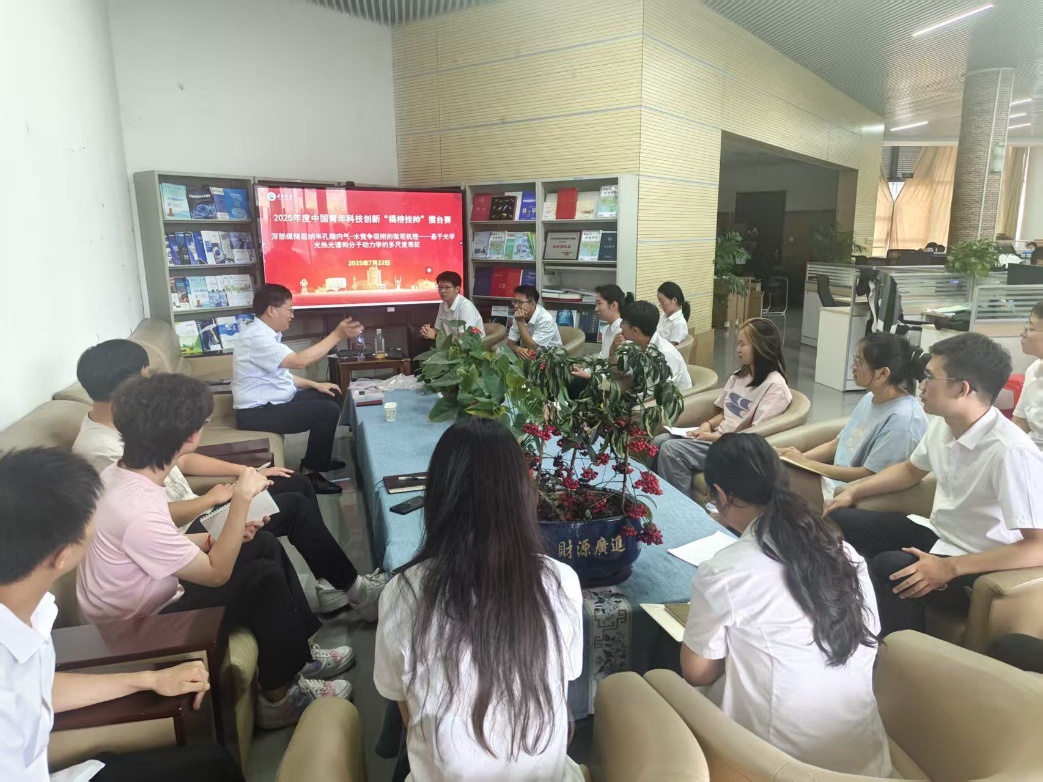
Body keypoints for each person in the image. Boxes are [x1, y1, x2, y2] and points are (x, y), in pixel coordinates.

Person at [76, 372, 356, 730]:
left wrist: (219, 537)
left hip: (150, 594)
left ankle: (299, 655)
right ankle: (280, 698)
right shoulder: (136, 509)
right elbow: (216, 574)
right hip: (139, 628)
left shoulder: (124, 477)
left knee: (262, 543)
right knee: (261, 578)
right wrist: (240, 500)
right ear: (191, 436)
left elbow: (157, 547)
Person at [71, 339, 385, 617]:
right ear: (125, 388)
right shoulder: (102, 450)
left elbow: (182, 458)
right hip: (180, 530)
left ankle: (330, 582)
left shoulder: (134, 424)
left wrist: (248, 472)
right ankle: (351, 588)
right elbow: (144, 519)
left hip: (187, 520)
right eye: (145, 375)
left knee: (294, 482)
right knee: (290, 509)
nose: (150, 381)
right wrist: (214, 499)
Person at [0, 446, 244, 782]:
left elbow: (36, 688)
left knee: (213, 764)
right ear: (62, 556)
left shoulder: (33, 612)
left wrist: (147, 680)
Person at [374, 417, 584, 781]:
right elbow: (562, 693)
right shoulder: (561, 581)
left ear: (437, 497)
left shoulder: (403, 592)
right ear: (523, 494)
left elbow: (408, 712)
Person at [681, 434, 892, 776]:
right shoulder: (845, 553)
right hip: (865, 763)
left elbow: (696, 672)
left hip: (777, 767)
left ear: (721, 495)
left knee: (672, 676)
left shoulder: (726, 570)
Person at [826, 333, 1043, 637]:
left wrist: (951, 568)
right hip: (941, 534)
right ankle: (846, 617)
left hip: (980, 562)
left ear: (962, 388)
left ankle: (898, 653)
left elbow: (1038, 546)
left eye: (930, 377)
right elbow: (910, 470)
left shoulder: (1011, 452)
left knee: (892, 567)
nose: (922, 385)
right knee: (840, 520)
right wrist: (855, 490)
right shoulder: (944, 423)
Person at [233, 283, 363, 494]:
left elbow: (281, 375)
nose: (292, 315)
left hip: (275, 402)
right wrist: (337, 335)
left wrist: (316, 384)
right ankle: (311, 473)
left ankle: (318, 459)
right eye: (289, 309)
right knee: (327, 410)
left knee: (332, 394)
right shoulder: (256, 338)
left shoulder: (265, 334)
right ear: (272, 310)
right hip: (256, 413)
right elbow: (300, 361)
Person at [777, 333, 928, 505]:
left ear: (882, 373)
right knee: (770, 464)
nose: (853, 367)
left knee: (771, 480)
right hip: (830, 480)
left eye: (859, 362)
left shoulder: (903, 420)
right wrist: (795, 459)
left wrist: (805, 464)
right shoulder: (870, 398)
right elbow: (837, 444)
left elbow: (869, 475)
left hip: (847, 492)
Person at [651, 318, 790, 498]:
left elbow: (754, 435)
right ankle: (653, 495)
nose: (738, 349)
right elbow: (726, 413)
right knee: (659, 441)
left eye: (743, 344)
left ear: (761, 346)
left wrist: (713, 437)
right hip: (718, 436)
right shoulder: (740, 375)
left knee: (671, 450)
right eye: (738, 343)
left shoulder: (775, 387)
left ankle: (681, 508)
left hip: (736, 448)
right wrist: (707, 424)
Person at [615, 300, 692, 391]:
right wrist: (613, 350)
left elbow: (659, 395)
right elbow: (617, 372)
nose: (620, 326)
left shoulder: (665, 355)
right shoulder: (633, 344)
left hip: (674, 398)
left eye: (623, 322)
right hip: (642, 393)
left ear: (635, 331)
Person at [568, 284, 634, 386]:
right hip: (600, 377)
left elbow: (619, 371)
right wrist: (585, 371)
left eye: (599, 304)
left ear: (613, 305)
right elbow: (602, 361)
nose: (596, 309)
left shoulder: (623, 332)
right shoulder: (607, 329)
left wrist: (590, 376)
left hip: (612, 383)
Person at [420, 271, 484, 339]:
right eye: (440, 287)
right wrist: (427, 331)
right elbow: (437, 330)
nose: (442, 291)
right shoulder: (442, 305)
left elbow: (464, 339)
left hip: (473, 344)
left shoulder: (466, 307)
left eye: (447, 287)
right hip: (451, 343)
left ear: (457, 289)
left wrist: (435, 336)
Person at [505, 285, 563, 357]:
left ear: (532, 304)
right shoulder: (519, 315)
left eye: (520, 302)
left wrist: (520, 323)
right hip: (528, 353)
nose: (516, 306)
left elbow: (536, 350)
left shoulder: (545, 319)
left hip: (549, 356)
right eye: (515, 301)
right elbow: (510, 343)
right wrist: (518, 349)